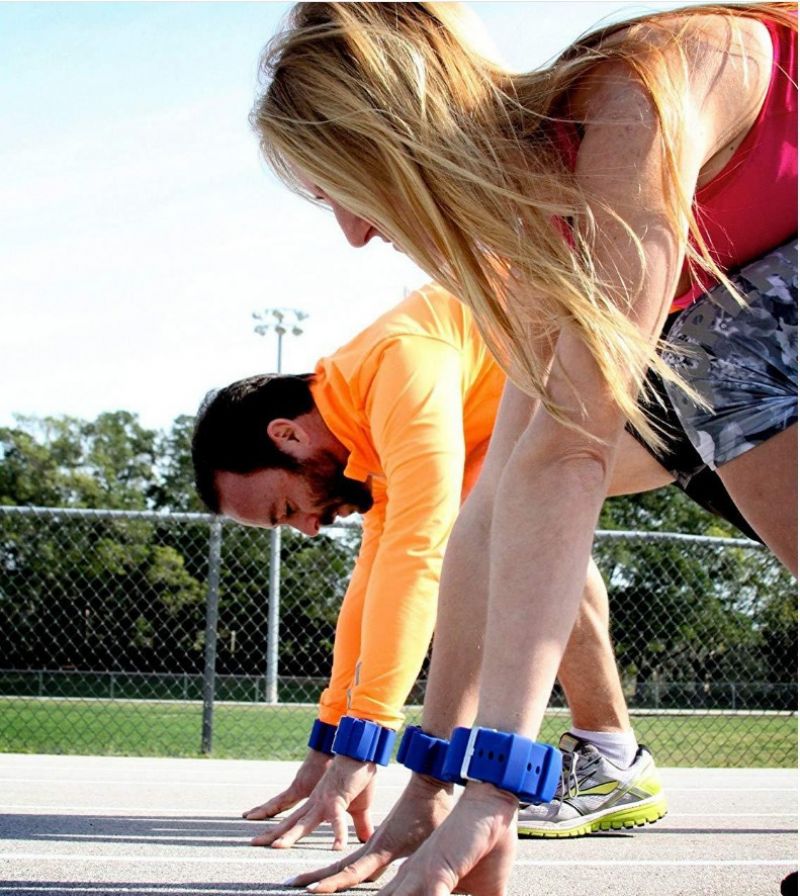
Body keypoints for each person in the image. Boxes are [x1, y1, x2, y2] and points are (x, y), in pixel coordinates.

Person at [249, 2, 797, 893]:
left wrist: (498, 784)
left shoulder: (628, 113)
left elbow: (571, 453)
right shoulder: (540, 226)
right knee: (708, 365)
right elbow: (494, 500)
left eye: (338, 187)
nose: (352, 233)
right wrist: (436, 779)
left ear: (398, 142)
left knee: (718, 360)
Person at [193, 284, 760, 854]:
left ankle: (610, 753)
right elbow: (375, 578)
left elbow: (418, 554)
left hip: (669, 349)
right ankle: (610, 756)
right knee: (518, 520)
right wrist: (333, 737)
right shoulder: (362, 420)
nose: (310, 528)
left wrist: (363, 742)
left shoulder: (401, 363)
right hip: (616, 383)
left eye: (288, 509)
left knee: (517, 517)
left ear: (287, 434)